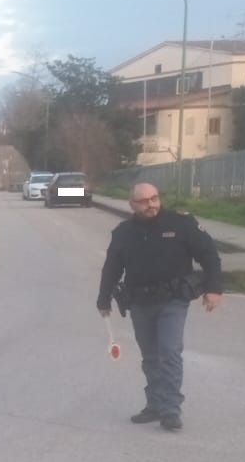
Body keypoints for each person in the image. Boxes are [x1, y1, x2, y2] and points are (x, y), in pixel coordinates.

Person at [96, 182, 223, 432]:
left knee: (169, 352)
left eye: (154, 198)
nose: (151, 204)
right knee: (150, 357)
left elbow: (209, 255)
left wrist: (214, 289)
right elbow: (112, 267)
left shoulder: (181, 224)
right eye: (144, 201)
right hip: (140, 303)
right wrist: (103, 299)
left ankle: (171, 410)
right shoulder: (123, 232)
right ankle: (154, 404)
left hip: (172, 301)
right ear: (132, 204)